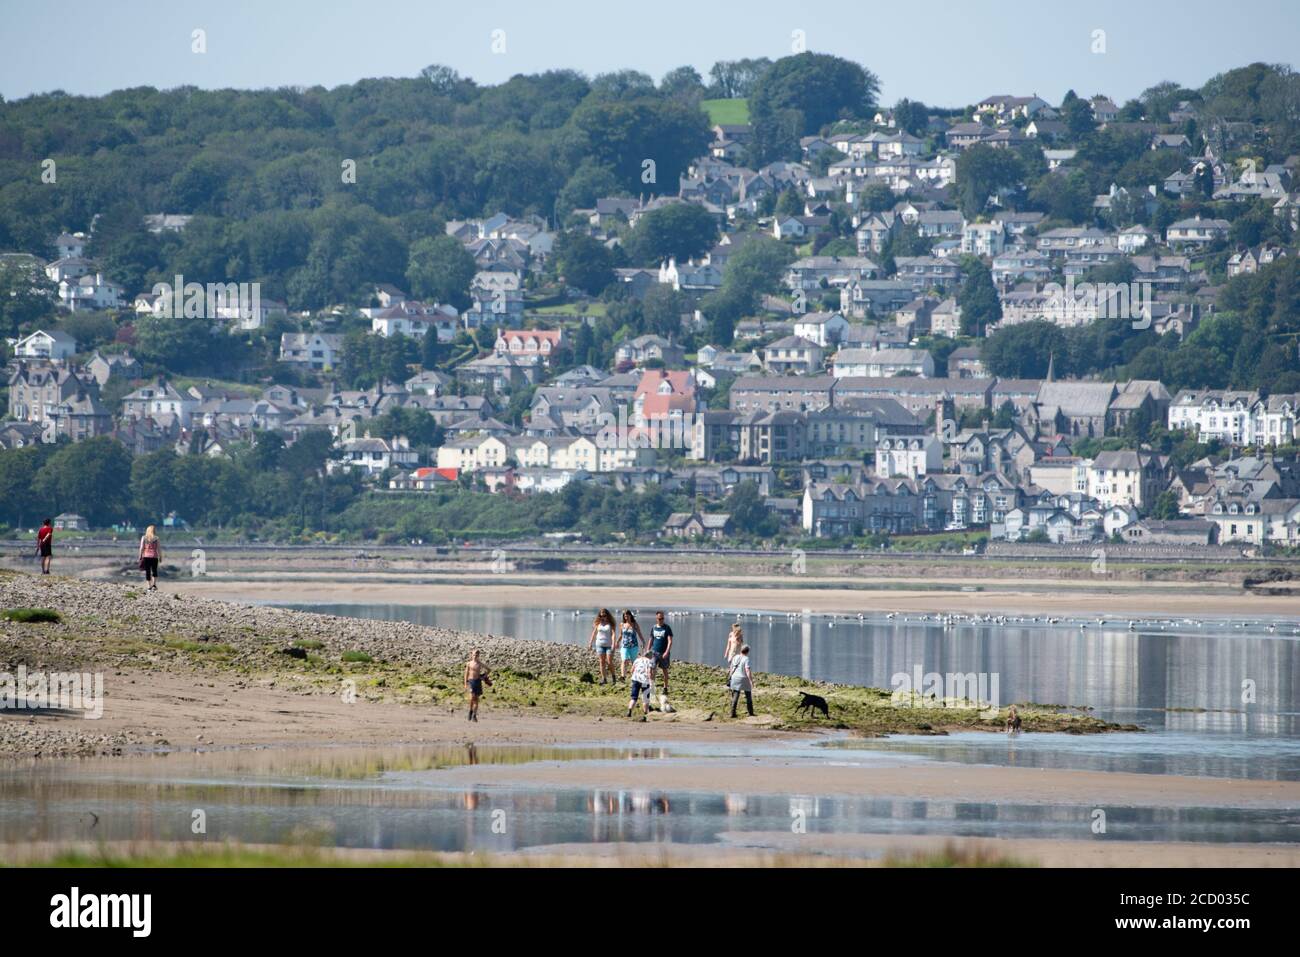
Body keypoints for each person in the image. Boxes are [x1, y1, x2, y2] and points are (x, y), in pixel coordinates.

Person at [587, 608, 617, 685]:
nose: (603, 617)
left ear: (607, 615)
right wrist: (590, 643)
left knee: (609, 661)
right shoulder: (598, 624)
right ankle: (604, 679)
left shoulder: (610, 624)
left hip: (609, 645)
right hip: (599, 645)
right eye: (601, 616)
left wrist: (614, 643)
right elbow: (593, 634)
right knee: (602, 662)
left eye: (604, 615)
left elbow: (613, 634)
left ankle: (614, 677)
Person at [648, 611, 674, 696]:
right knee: (651, 669)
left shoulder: (667, 628)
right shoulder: (654, 627)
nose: (661, 620)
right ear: (656, 619)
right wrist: (648, 650)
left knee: (664, 671)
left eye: (662, 618)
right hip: (654, 652)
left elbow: (670, 641)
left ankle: (665, 688)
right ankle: (651, 687)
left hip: (663, 653)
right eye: (659, 618)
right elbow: (651, 639)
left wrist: (667, 652)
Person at [727, 643, 755, 718]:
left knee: (735, 695)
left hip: (734, 678)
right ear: (747, 651)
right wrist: (751, 681)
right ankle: (750, 712)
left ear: (741, 650)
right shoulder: (746, 659)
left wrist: (730, 676)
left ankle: (732, 713)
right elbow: (747, 670)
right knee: (748, 695)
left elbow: (731, 668)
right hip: (744, 678)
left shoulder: (735, 657)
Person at [464, 649, 492, 722]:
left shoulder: (480, 663)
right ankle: (470, 710)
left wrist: (483, 676)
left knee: (476, 700)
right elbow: (466, 674)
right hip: (471, 681)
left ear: (478, 656)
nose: (475, 656)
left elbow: (489, 669)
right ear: (471, 655)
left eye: (476, 655)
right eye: (473, 655)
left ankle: (474, 715)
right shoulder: (469, 663)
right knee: (471, 698)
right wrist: (465, 683)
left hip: (477, 681)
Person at [626, 649, 655, 719]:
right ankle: (645, 714)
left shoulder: (637, 660)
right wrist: (651, 681)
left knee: (634, 698)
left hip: (635, 680)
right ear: (650, 656)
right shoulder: (650, 661)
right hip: (644, 681)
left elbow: (631, 670)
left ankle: (629, 711)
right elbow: (649, 672)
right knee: (645, 698)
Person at [618, 610, 644, 679]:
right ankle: (623, 676)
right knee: (624, 660)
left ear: (630, 615)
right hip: (624, 646)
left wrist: (643, 641)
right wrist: (617, 642)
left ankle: (635, 676)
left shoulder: (634, 624)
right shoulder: (622, 624)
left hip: (633, 646)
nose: (626, 616)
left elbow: (639, 633)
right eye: (625, 615)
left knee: (634, 662)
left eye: (627, 614)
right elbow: (621, 635)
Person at [138, 525, 162, 591]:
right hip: (154, 556)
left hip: (146, 556)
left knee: (147, 571)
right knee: (154, 570)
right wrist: (160, 556)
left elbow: (141, 548)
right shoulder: (156, 538)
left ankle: (149, 586)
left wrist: (140, 555)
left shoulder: (144, 537)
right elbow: (159, 549)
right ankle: (154, 585)